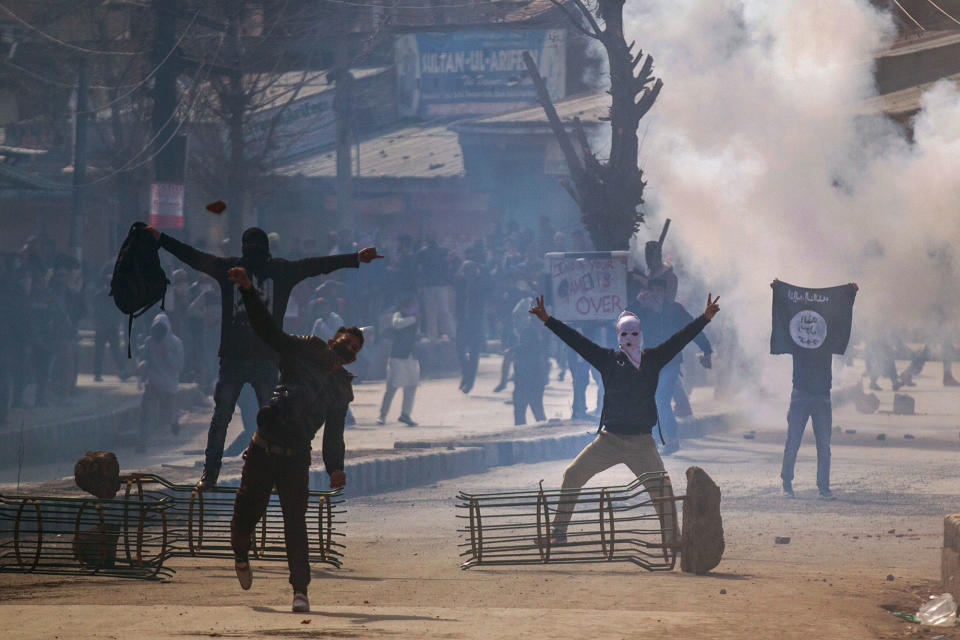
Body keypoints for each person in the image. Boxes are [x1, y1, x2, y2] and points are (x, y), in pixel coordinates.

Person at [146, 224, 382, 489]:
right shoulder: (241, 270)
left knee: (265, 420)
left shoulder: (271, 270)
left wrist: (353, 258)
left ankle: (244, 472)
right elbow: (194, 257)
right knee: (229, 417)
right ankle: (211, 473)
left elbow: (316, 265)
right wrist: (162, 239)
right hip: (238, 359)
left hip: (262, 359)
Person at [529, 292, 720, 544]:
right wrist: (547, 320)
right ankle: (559, 532)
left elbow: (679, 339)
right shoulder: (607, 360)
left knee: (662, 490)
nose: (629, 338)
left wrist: (704, 319)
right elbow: (577, 341)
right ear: (618, 336)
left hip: (642, 442)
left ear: (641, 334)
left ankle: (672, 540)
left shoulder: (653, 358)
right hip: (609, 440)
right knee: (573, 474)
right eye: (624, 334)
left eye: (634, 333)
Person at [226, 266, 362, 614]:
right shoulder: (305, 350)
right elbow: (269, 333)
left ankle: (300, 591)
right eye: (344, 344)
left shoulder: (341, 389)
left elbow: (334, 434)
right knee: (245, 516)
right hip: (263, 444)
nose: (345, 352)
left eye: (352, 351)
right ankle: (240, 553)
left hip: (296, 456)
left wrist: (335, 467)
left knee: (295, 524)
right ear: (332, 341)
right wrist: (247, 291)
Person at [777, 279, 858, 500]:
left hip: (822, 394)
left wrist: (850, 295)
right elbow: (783, 316)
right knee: (794, 441)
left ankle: (823, 487)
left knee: (823, 445)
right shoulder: (797, 336)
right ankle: (786, 483)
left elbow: (841, 321)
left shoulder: (827, 336)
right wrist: (777, 290)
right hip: (801, 393)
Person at [630, 278, 713, 454]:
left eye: (659, 291)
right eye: (653, 292)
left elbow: (693, 328)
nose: (656, 296)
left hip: (671, 362)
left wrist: (706, 350)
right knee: (650, 399)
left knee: (661, 398)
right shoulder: (643, 310)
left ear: (665, 293)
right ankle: (653, 439)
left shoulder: (675, 310)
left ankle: (672, 439)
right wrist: (637, 303)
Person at [136, 313, 184, 451]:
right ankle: (142, 442)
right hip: (153, 382)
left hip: (169, 384)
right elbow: (145, 358)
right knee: (147, 413)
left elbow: (179, 365)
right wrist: (142, 366)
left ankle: (174, 422)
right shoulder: (149, 341)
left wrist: (167, 353)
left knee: (168, 413)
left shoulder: (175, 343)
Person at [377, 298, 420, 426]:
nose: (412, 310)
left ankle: (405, 414)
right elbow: (397, 324)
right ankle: (382, 415)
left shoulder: (415, 319)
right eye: (410, 307)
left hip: (410, 357)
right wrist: (413, 319)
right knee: (392, 388)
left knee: (411, 386)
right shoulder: (398, 316)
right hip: (397, 357)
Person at [511, 296, 549, 425]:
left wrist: (513, 350)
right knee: (534, 408)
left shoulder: (529, 332)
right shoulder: (533, 331)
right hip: (531, 377)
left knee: (525, 408)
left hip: (528, 377)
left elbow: (529, 349)